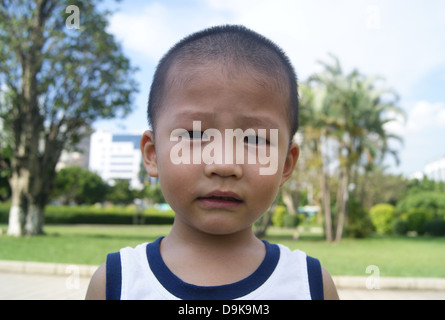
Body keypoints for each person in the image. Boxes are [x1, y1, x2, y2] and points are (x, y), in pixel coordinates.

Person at [86, 25, 339, 300]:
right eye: (194, 134)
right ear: (152, 154)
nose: (224, 164)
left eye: (254, 139)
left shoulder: (309, 285)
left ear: (286, 165)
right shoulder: (117, 283)